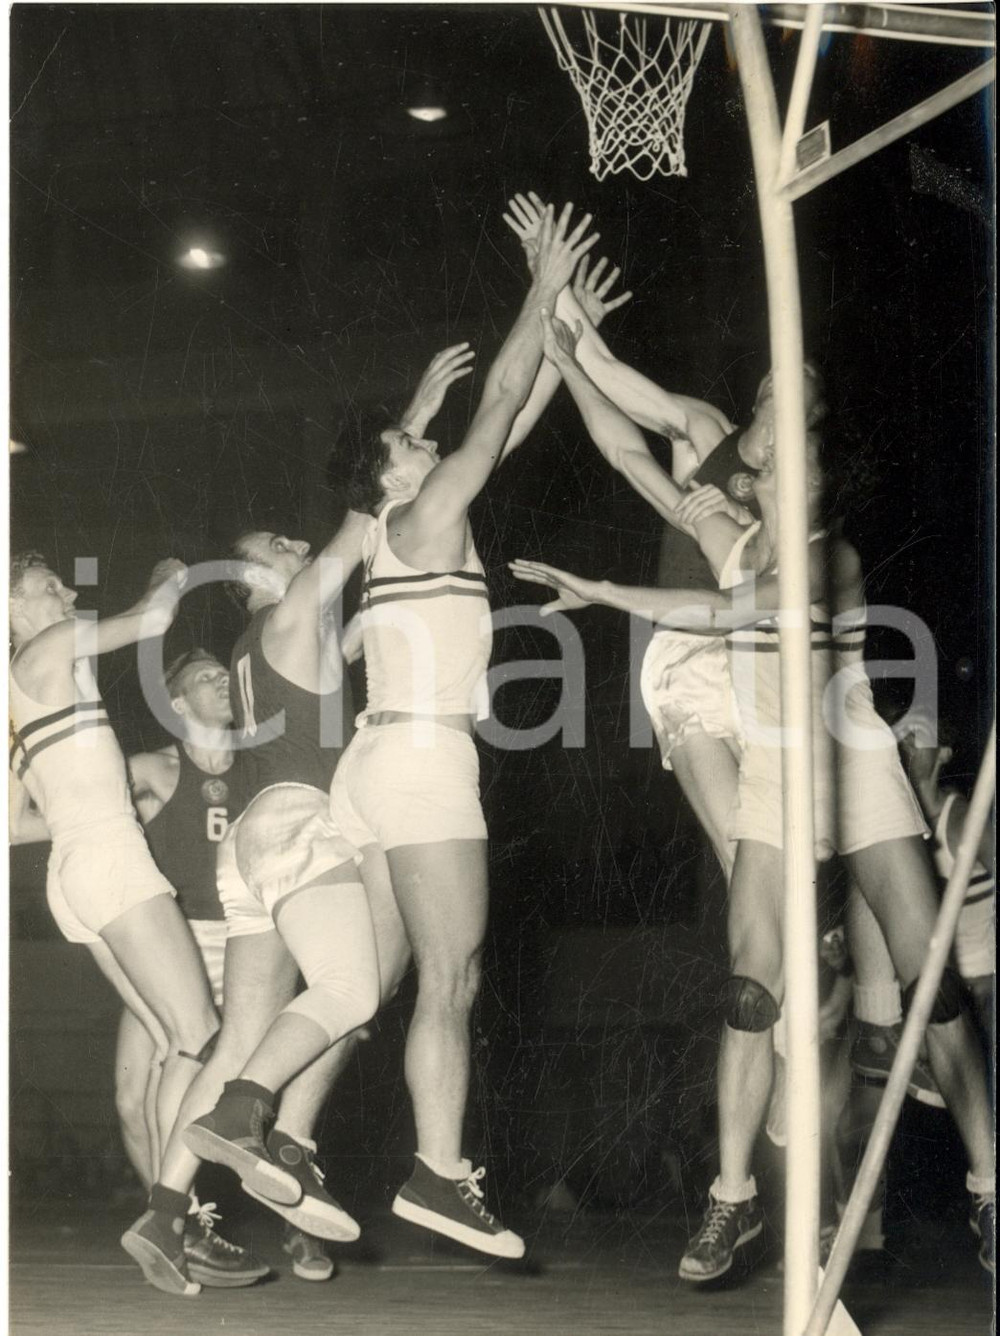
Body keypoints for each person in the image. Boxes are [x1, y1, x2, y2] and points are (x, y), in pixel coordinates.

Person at [509, 318, 996, 1281]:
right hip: (774, 765)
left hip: (852, 764)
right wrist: (568, 360)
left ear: (810, 479)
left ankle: (989, 1185)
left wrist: (602, 590)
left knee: (927, 978)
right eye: (771, 450)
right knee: (748, 981)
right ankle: (731, 1200)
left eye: (801, 457)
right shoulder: (723, 525)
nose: (776, 457)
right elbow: (624, 448)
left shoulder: (829, 558)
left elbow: (730, 609)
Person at [323, 201, 598, 1260]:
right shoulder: (426, 511)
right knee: (454, 980)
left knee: (367, 985)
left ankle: (271, 1117)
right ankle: (438, 1175)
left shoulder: (407, 525)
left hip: (375, 763)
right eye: (405, 438)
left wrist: (565, 336)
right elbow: (491, 416)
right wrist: (539, 284)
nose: (419, 435)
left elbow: (511, 412)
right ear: (392, 472)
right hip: (424, 757)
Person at [121, 510, 411, 1296]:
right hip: (295, 823)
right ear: (257, 581)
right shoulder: (286, 614)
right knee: (352, 990)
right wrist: (410, 438)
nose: (296, 547)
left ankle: (164, 1208)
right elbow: (358, 531)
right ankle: (251, 1117)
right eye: (278, 548)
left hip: (246, 846)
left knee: (242, 1033)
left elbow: (350, 638)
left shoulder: (265, 649)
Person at [8, 554, 221, 1182]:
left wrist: (95, 813)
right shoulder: (47, 646)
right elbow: (153, 617)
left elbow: (12, 825)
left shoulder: (14, 696)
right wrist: (166, 570)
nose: (69, 591)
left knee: (167, 1044)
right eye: (51, 586)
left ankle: (175, 1221)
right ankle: (172, 1211)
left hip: (71, 875)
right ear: (11, 607)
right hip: (109, 858)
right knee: (200, 1036)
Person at [122, 648, 270, 1288]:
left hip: (243, 941)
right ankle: (171, 1218)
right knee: (132, 1101)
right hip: (171, 943)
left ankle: (181, 1221)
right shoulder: (150, 768)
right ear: (176, 702)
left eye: (224, 676)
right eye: (206, 680)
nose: (222, 684)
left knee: (192, 1085)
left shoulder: (262, 768)